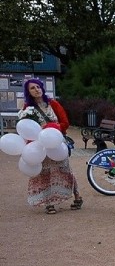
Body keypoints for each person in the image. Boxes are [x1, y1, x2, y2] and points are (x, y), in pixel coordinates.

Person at [20, 79, 83, 214]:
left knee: (65, 170)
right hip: (40, 146)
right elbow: (25, 127)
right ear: (28, 92)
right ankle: (49, 203)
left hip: (56, 144)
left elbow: (65, 122)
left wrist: (51, 128)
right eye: (32, 88)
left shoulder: (52, 104)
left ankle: (77, 196)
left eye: (38, 86)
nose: (36, 89)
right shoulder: (27, 109)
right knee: (44, 173)